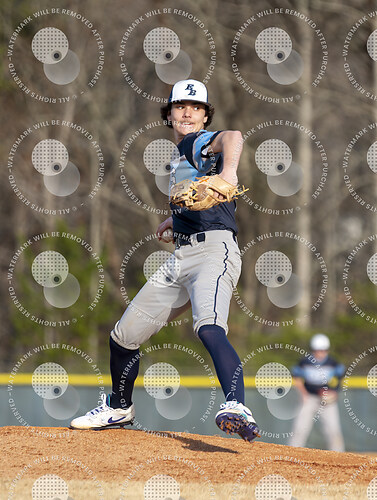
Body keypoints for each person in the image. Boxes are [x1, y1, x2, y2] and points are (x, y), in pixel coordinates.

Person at [70, 79, 260, 442]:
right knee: (124, 336)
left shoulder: (197, 142)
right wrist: (176, 220)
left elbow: (233, 137)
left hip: (214, 252)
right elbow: (201, 196)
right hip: (182, 256)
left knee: (208, 327)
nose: (187, 113)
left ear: (205, 117)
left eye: (196, 107)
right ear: (169, 114)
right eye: (180, 106)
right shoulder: (180, 158)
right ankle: (119, 407)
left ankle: (237, 405)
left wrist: (230, 172)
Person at [288, 333, 345, 451]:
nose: (320, 353)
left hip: (327, 401)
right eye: (317, 350)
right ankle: (292, 453)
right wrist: (303, 394)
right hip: (310, 398)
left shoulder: (332, 363)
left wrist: (334, 392)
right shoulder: (305, 362)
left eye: (323, 350)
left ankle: (339, 456)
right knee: (299, 429)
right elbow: (296, 377)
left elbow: (340, 378)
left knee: (333, 431)